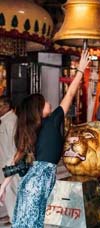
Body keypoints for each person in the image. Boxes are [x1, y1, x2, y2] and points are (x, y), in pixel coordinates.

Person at [0, 49, 90, 227]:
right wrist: (80, 70)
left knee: (27, 222)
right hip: (37, 183)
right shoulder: (51, 121)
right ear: (39, 110)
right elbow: (70, 94)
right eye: (45, 102)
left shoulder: (35, 129)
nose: (49, 102)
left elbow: (15, 159)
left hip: (33, 183)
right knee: (30, 223)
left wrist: (3, 185)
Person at [0, 96, 19, 222]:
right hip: (6, 164)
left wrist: (10, 166)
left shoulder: (11, 121)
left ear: (7, 106)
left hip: (10, 165)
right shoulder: (6, 120)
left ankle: (15, 219)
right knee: (8, 193)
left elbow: (14, 147)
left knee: (11, 192)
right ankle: (14, 217)